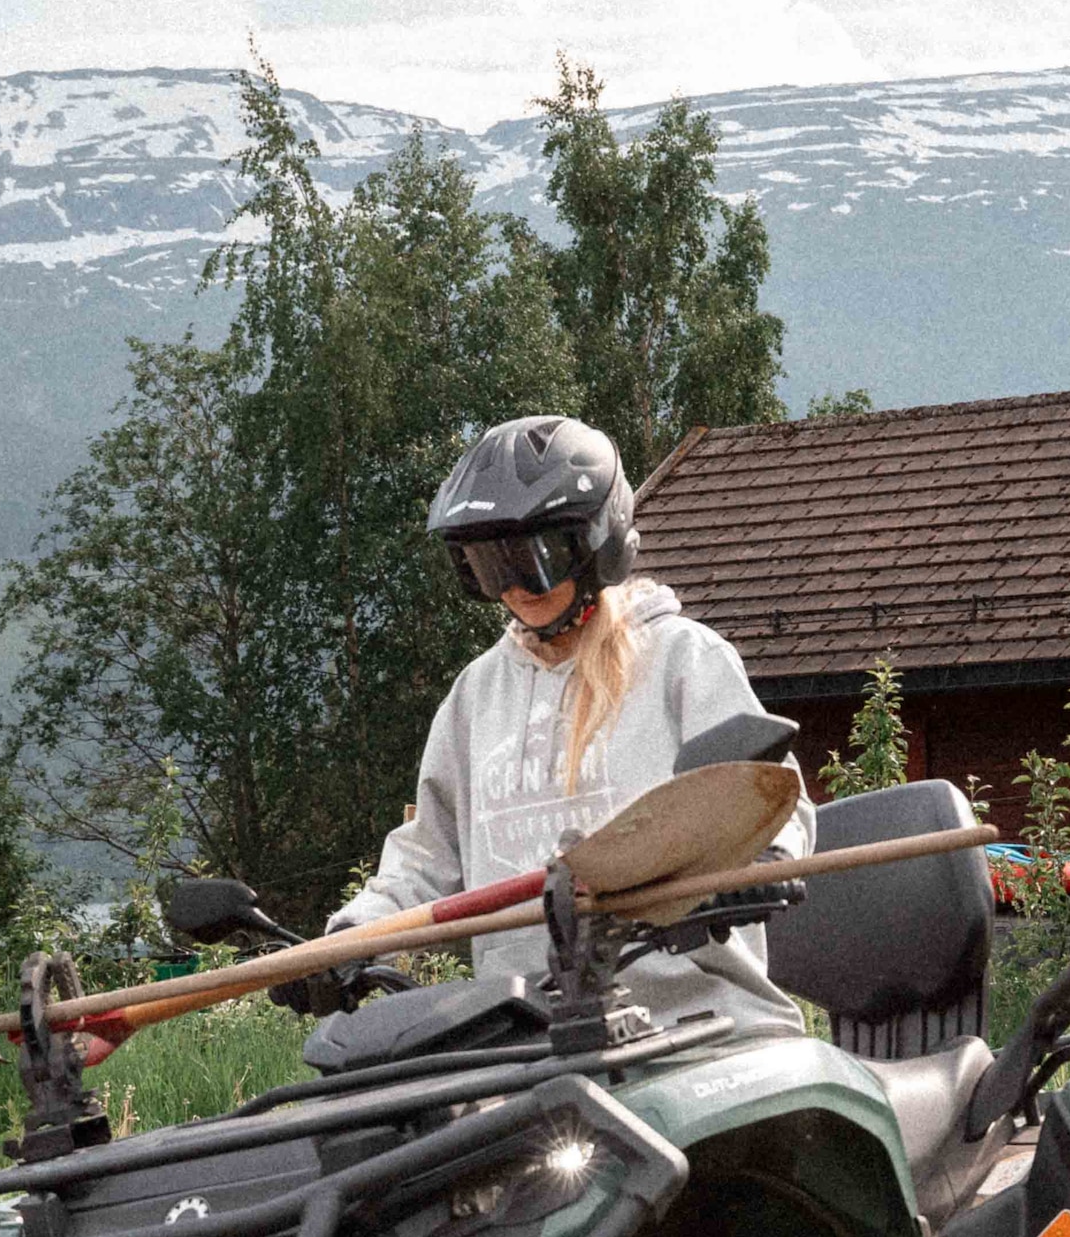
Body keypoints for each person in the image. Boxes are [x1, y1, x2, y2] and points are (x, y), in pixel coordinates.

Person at [334, 413, 812, 1034]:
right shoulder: (476, 696)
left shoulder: (683, 661)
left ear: (597, 545)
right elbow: (425, 860)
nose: (516, 586)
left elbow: (774, 798)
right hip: (530, 1037)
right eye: (490, 564)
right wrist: (350, 941)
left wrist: (758, 857)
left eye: (533, 558)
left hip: (700, 1026)